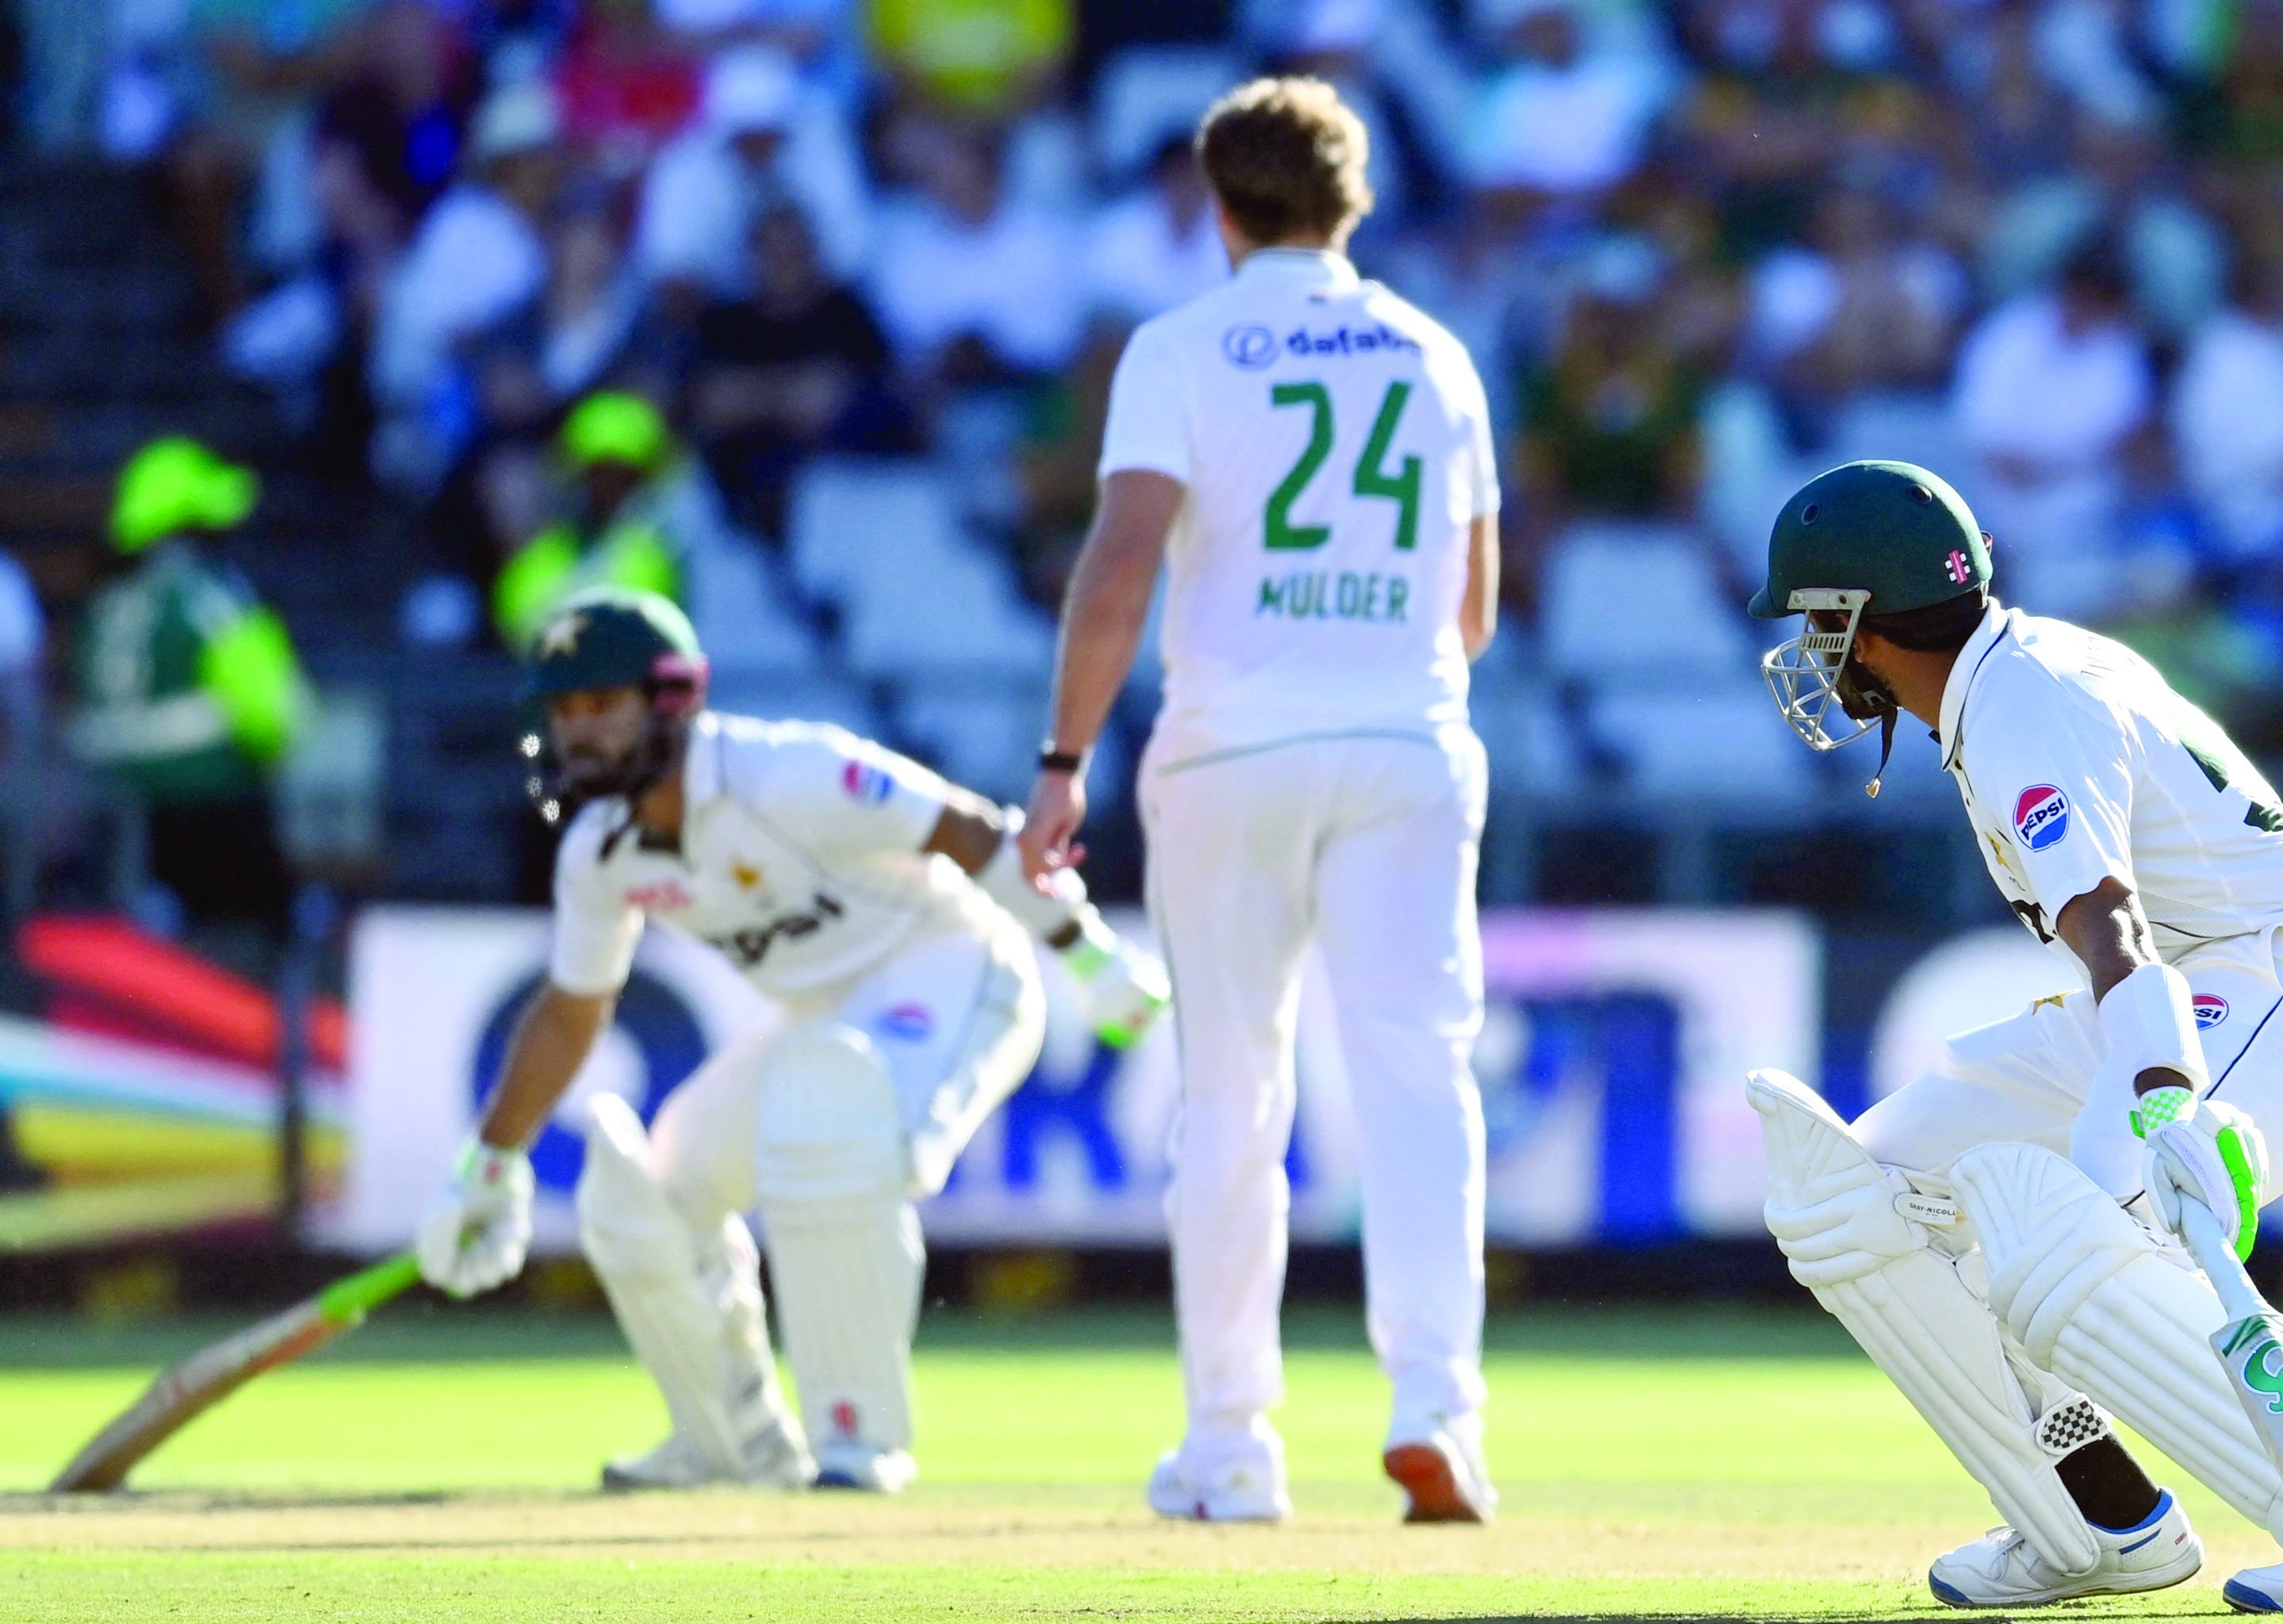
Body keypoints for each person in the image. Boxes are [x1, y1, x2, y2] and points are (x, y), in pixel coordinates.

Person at [1739, 459, 2283, 1617]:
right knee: (1872, 1195)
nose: (1809, 653)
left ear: (1858, 620)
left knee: (2093, 1229)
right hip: (2199, 987)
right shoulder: (2017, 673)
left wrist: (2160, 1097)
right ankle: (2100, 1518)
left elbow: (2117, 933)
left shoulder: (2026, 700)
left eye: (1814, 623)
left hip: (2279, 988)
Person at [1017, 77, 1503, 1525]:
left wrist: (1059, 763)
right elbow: (1471, 609)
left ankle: (1229, 1443)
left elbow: (1118, 563)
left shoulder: (1178, 348)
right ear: (1352, 203)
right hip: (1406, 738)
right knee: (1420, 1077)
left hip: (1231, 746)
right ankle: (1438, 1412)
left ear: (1217, 207)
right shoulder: (1434, 356)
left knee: (1230, 1095)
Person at [414, 592, 1166, 1491]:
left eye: (601, 704)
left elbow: (966, 830)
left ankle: (858, 1442)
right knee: (646, 1185)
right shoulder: (600, 853)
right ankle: (730, 1440)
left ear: (671, 698)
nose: (580, 734)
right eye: (565, 712)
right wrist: (491, 1162)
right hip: (825, 1021)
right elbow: (573, 1009)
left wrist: (1088, 956)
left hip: (958, 971)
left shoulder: (789, 772)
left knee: (827, 1110)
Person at [71, 438, 309, 936]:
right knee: (248, 958)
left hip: (106, 821)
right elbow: (276, 713)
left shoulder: (101, 607)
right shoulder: (212, 596)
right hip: (214, 816)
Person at [493, 392, 686, 649]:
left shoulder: (665, 559)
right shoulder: (535, 562)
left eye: (622, 477)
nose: (607, 490)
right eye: (596, 475)